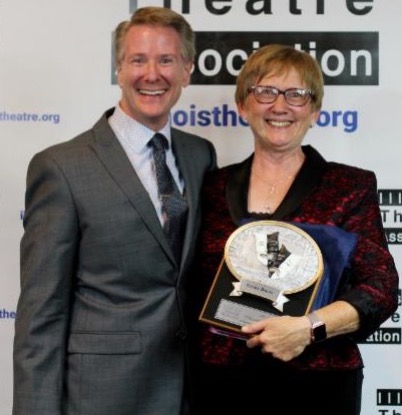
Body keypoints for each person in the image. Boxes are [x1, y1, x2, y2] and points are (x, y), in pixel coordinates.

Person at [13, 6, 216, 415]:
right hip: (101, 395)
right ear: (118, 70)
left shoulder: (200, 155)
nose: (152, 74)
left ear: (187, 71)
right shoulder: (62, 167)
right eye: (138, 60)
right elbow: (41, 312)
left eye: (166, 60)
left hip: (189, 388)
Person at [190, 44, 399, 415]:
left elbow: (380, 289)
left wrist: (308, 328)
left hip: (320, 384)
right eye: (265, 92)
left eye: (296, 94)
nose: (280, 106)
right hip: (222, 381)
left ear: (314, 111)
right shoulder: (211, 187)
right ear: (242, 106)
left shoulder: (349, 186)